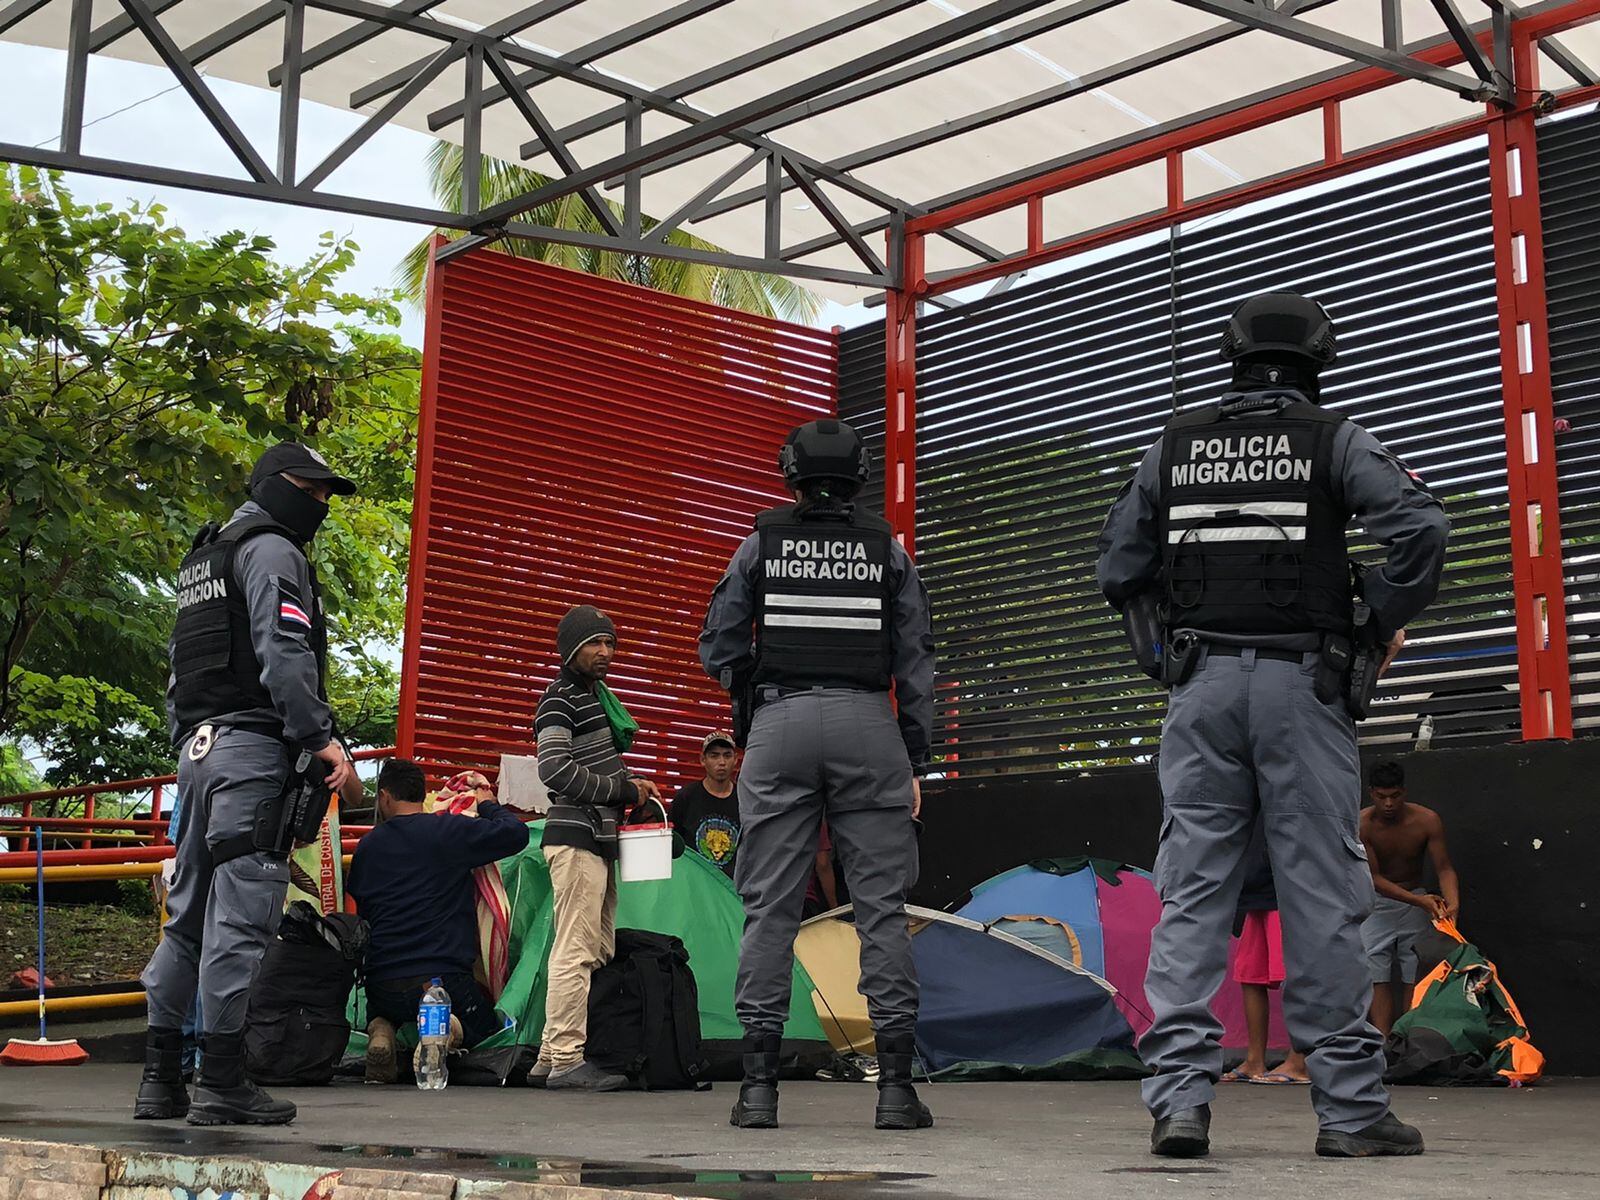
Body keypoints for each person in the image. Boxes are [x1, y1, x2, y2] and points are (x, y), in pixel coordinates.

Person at [1096, 293, 1449, 1158]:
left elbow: (1119, 568)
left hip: (1200, 690)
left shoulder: (1173, 447)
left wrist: (1163, 662)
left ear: (1232, 355)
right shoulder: (1338, 441)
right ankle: (1350, 1113)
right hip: (1306, 685)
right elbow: (1423, 530)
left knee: (1193, 894)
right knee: (1324, 898)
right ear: (1318, 362)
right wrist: (1372, 629)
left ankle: (1180, 1103)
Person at [700, 418, 935, 1131]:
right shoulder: (887, 550)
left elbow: (718, 642)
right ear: (859, 474)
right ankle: (895, 1091)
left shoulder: (761, 542)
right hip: (870, 725)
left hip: (780, 724)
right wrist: (914, 753)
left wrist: (754, 694)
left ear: (790, 472)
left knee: (770, 907)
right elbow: (916, 656)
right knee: (880, 909)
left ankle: (759, 1092)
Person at [137, 442, 365, 1126]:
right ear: (275, 485)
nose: (321, 503)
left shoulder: (204, 557)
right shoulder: (273, 550)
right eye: (313, 489)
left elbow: (182, 667)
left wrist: (192, 744)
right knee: (240, 921)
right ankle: (223, 1081)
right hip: (252, 753)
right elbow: (284, 652)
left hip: (199, 754)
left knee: (185, 926)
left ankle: (160, 1079)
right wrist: (320, 738)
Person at [532, 605, 661, 1092]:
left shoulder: (593, 699)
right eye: (594, 643)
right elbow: (554, 771)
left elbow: (587, 770)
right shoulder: (559, 699)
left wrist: (632, 788)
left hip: (595, 838)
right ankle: (567, 1059)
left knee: (593, 946)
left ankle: (548, 1055)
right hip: (576, 836)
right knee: (577, 948)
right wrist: (623, 791)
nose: (605, 652)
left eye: (610, 643)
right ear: (570, 648)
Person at [346, 758, 529, 1083]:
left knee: (384, 1011)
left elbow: (365, 911)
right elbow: (516, 834)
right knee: (485, 1029)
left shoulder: (368, 847)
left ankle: (381, 1033)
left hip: (382, 985)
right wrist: (488, 806)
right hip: (441, 982)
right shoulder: (448, 831)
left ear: (385, 796)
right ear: (422, 794)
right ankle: (446, 1030)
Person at [1359, 760, 1459, 1036]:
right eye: (1381, 797)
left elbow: (1444, 867)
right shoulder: (1362, 824)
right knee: (1375, 969)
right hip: (1377, 902)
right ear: (1371, 793)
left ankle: (1406, 1035)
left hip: (1415, 898)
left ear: (1404, 792)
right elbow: (1374, 878)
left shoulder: (1426, 820)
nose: (1388, 803)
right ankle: (1383, 1041)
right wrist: (1422, 902)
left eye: (1395, 796)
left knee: (1413, 969)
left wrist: (1452, 905)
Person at [1224, 835, 1310, 1086]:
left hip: (1289, 890)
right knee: (1250, 974)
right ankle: (1254, 1060)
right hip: (1255, 890)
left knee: (1295, 974)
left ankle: (1299, 1060)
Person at [671, 731, 742, 877]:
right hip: (694, 885)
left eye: (727, 755)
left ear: (735, 760)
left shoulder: (745, 799)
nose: (721, 762)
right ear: (703, 759)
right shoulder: (686, 797)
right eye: (714, 755)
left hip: (732, 890)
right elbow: (671, 846)